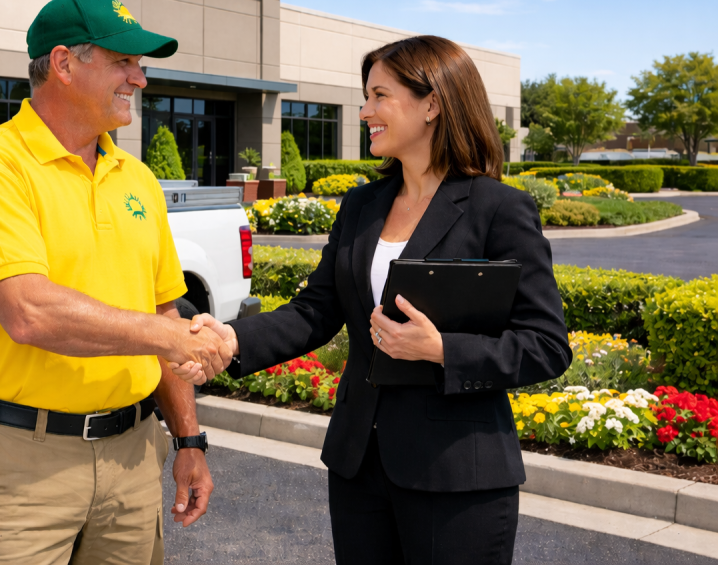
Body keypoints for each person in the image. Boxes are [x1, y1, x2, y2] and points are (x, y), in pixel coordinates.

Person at [177, 36, 571, 564]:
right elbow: (316, 310)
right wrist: (230, 338)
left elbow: (546, 345)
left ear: (432, 103)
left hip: (457, 477)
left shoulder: (499, 209)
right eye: (366, 97)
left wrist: (442, 350)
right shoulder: (362, 205)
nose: (365, 112)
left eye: (379, 96)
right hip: (359, 466)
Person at [0, 0, 230, 565]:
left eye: (140, 65)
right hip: (21, 470)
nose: (139, 79)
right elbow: (29, 311)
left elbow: (165, 309)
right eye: (124, 62)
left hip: (133, 459)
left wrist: (189, 440)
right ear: (65, 63)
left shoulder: (137, 179)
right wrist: (174, 338)